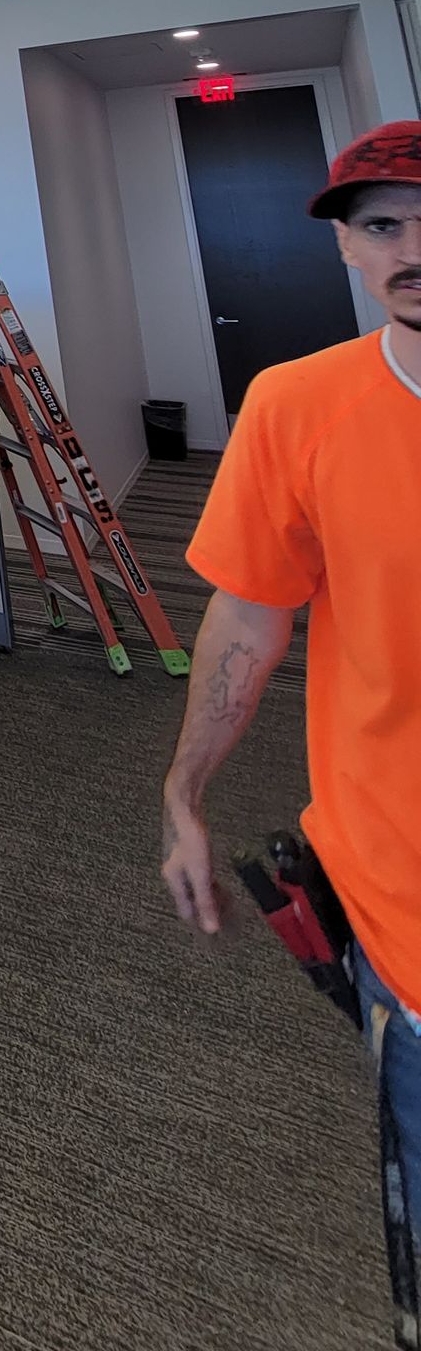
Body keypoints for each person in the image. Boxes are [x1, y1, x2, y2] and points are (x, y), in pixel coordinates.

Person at [160, 119, 421, 1337]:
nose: (411, 246)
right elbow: (248, 624)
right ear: (351, 251)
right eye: (382, 225)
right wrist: (185, 793)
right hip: (403, 909)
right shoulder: (298, 405)